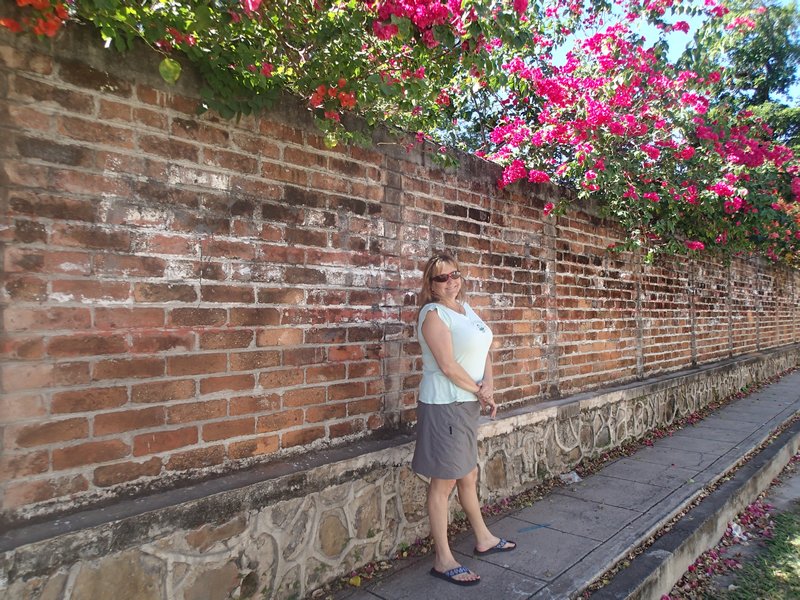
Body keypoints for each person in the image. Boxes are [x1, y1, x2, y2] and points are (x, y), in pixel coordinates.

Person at [411, 252, 516, 587]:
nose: (451, 281)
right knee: (445, 481)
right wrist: (480, 392)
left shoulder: (465, 309)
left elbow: (484, 349)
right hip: (446, 404)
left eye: (454, 274)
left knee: (468, 473)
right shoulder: (433, 313)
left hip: (467, 402)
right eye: (442, 277)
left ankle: (483, 537)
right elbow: (447, 365)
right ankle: (443, 559)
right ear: (430, 283)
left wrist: (489, 385)